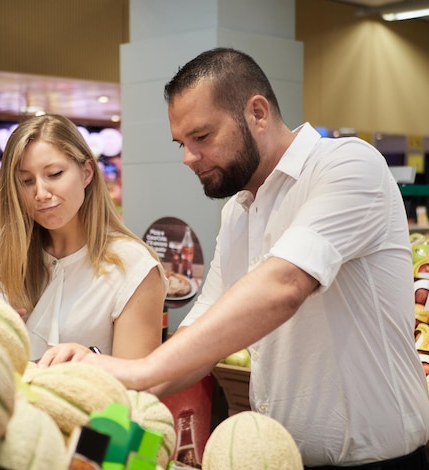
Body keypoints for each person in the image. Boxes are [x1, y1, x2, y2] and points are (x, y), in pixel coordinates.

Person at [64, 48, 429, 467]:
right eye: (181, 143)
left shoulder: (348, 165)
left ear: (257, 112)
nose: (187, 157)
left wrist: (140, 372)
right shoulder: (238, 213)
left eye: (201, 137)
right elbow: (201, 336)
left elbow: (285, 285)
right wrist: (98, 390)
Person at [0, 113, 167, 364]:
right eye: (26, 181)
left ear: (86, 173)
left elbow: (135, 395)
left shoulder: (132, 267)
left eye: (54, 174)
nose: (40, 193)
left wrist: (90, 365)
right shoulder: (8, 251)